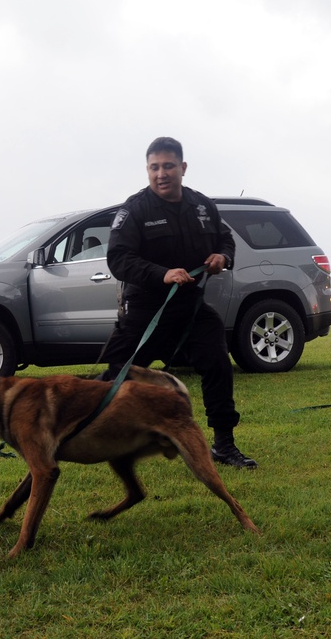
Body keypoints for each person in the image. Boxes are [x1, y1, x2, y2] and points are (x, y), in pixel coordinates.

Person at [98, 136, 257, 469]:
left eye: (168, 166)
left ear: (182, 168)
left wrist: (222, 257)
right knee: (114, 375)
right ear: (147, 170)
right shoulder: (135, 209)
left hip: (191, 309)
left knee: (217, 363)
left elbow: (226, 240)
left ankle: (224, 445)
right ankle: (83, 433)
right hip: (145, 312)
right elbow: (118, 259)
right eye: (154, 167)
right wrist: (162, 274)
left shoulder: (202, 206)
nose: (161, 174)